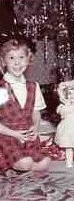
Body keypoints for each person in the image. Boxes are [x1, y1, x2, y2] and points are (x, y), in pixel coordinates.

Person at [0, 37, 51, 174]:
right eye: (11, 58)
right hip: (7, 136)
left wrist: (35, 127)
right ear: (3, 61)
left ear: (28, 60)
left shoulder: (33, 86)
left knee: (45, 163)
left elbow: (35, 111)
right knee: (25, 162)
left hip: (28, 136)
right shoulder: (2, 89)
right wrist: (15, 134)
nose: (17, 63)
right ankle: (6, 165)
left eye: (21, 57)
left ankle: (17, 167)